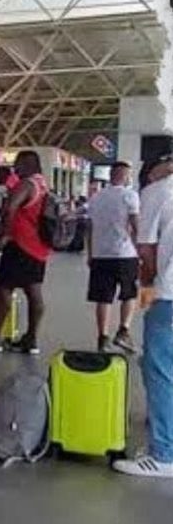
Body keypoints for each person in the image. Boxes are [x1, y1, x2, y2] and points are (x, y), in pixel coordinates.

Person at [113, 152, 173, 478]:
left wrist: (148, 284)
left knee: (162, 369)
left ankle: (164, 453)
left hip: (171, 295)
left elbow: (146, 248)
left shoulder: (158, 191)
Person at [0, 151, 50, 355]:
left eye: (18, 164)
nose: (15, 168)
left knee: (4, 289)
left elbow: (10, 208)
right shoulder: (43, 184)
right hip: (39, 247)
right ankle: (31, 339)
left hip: (20, 244)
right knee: (34, 291)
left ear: (28, 164)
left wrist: (3, 234)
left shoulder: (26, 184)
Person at [87, 161, 140, 353]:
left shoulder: (97, 197)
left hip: (101, 255)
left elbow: (90, 228)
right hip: (125, 254)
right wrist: (140, 249)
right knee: (129, 294)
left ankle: (102, 337)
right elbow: (135, 224)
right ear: (125, 176)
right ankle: (123, 331)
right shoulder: (130, 195)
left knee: (103, 298)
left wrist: (91, 253)